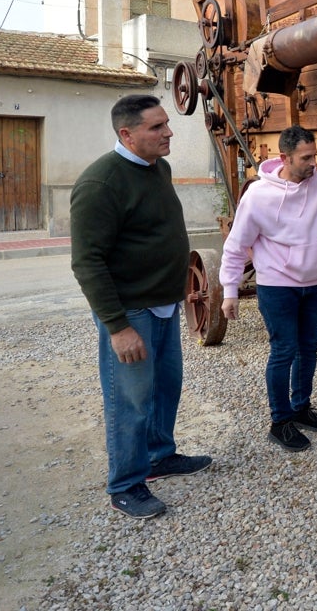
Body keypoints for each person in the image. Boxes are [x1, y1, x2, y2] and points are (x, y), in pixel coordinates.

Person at [70, 94, 212, 519]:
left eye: (167, 123)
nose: (169, 133)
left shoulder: (159, 167)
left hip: (165, 303)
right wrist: (117, 326)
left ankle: (159, 456)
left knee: (165, 387)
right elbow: (87, 261)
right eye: (157, 127)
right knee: (129, 399)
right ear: (127, 134)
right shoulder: (101, 184)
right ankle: (125, 484)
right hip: (131, 311)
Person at [220, 125, 317, 452]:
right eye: (306, 158)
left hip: (316, 284)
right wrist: (229, 290)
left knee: (309, 349)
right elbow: (237, 246)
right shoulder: (258, 196)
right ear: (284, 158)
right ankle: (280, 421)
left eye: (315, 156)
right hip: (277, 286)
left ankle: (301, 407)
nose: (314, 163)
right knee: (284, 351)